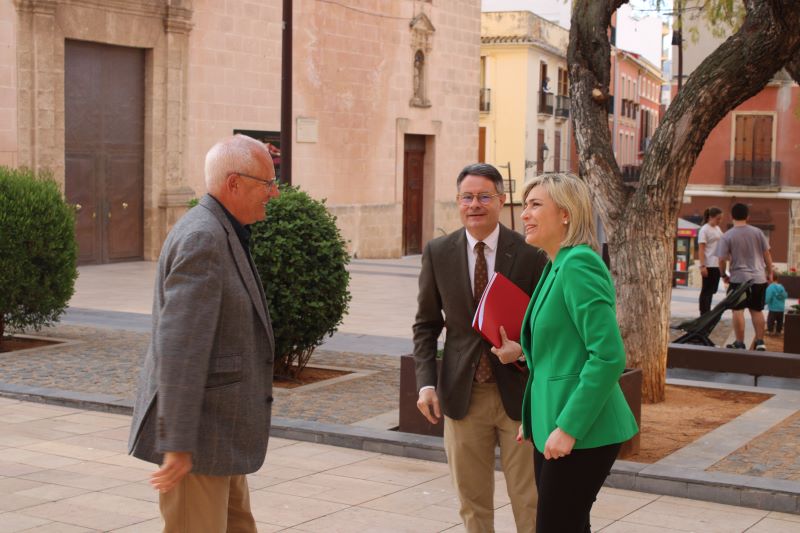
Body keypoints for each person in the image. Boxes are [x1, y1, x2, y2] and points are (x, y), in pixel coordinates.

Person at [128, 134, 280, 532]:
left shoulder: (221, 230)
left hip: (221, 436)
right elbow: (179, 349)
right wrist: (176, 444)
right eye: (267, 183)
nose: (274, 193)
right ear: (234, 183)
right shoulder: (204, 238)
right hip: (199, 441)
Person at [492, 172, 638, 533]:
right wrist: (522, 357)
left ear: (566, 214)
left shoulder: (579, 266)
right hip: (553, 423)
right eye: (524, 205)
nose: (524, 213)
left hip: (584, 430)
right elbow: (562, 350)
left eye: (535, 205)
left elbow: (606, 355)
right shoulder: (556, 265)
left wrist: (569, 428)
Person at [414, 163, 547, 532]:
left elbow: (546, 324)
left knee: (530, 500)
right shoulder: (438, 252)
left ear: (501, 201)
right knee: (472, 503)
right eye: (467, 197)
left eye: (484, 196)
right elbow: (426, 325)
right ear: (458, 202)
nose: (475, 204)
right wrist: (426, 384)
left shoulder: (530, 252)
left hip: (520, 396)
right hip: (462, 396)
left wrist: (523, 350)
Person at [717, 203, 773, 351]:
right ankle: (760, 342)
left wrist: (723, 274)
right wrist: (770, 272)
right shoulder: (758, 232)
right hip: (758, 277)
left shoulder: (727, 235)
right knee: (756, 310)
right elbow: (766, 254)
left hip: (738, 278)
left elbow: (721, 259)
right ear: (748, 216)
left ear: (731, 216)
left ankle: (740, 343)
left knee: (737, 310)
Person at [697, 206, 724, 315]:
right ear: (711, 217)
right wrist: (702, 266)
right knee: (706, 291)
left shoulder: (718, 229)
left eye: (721, 218)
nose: (719, 221)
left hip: (716, 264)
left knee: (713, 290)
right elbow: (701, 249)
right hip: (708, 264)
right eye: (718, 218)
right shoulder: (704, 229)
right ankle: (704, 313)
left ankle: (706, 311)